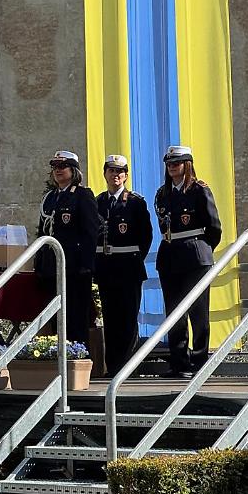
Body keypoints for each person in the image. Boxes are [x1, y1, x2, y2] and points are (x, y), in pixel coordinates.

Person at [154, 145, 222, 378]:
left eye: (177, 162)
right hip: (170, 256)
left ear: (187, 164)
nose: (172, 166)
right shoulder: (162, 193)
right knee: (174, 312)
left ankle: (200, 362)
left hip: (196, 255)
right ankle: (179, 362)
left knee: (198, 312)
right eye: (169, 163)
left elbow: (214, 228)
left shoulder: (200, 190)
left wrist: (203, 250)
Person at [94, 154, 153, 376]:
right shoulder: (99, 202)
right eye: (111, 171)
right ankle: (113, 365)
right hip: (107, 268)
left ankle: (127, 367)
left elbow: (145, 236)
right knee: (110, 319)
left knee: (128, 319)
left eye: (120, 172)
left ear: (126, 176)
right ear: (105, 174)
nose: (115, 175)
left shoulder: (136, 202)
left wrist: (135, 258)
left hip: (129, 267)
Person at [34, 151, 100, 345]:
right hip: (51, 268)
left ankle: (76, 360)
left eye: (62, 167)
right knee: (56, 317)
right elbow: (42, 231)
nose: (58, 171)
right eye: (55, 167)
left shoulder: (82, 196)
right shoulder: (50, 198)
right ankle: (59, 361)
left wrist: (86, 266)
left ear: (73, 170)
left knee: (76, 317)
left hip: (74, 267)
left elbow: (90, 233)